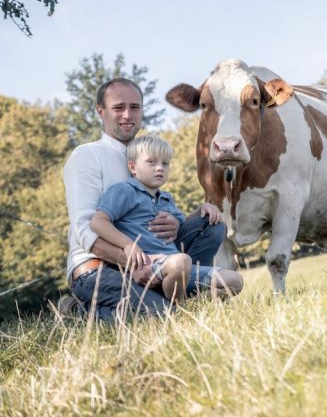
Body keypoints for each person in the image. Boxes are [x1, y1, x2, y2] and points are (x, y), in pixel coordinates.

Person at [60, 78, 242, 320]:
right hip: (100, 268)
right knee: (162, 316)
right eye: (118, 108)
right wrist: (134, 262)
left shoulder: (148, 154)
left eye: (135, 107)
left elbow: (153, 215)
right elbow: (86, 231)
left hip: (158, 260)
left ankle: (178, 289)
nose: (127, 114)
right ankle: (78, 311)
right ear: (101, 112)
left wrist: (178, 225)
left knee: (211, 223)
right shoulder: (87, 156)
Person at [90, 135, 224, 302]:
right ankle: (179, 308)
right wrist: (129, 245)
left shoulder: (166, 198)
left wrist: (202, 210)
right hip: (152, 265)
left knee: (234, 281)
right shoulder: (124, 191)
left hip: (178, 265)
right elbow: (98, 221)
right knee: (181, 261)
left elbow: (183, 228)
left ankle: (193, 300)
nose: (160, 168)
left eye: (165, 163)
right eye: (151, 162)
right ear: (132, 167)